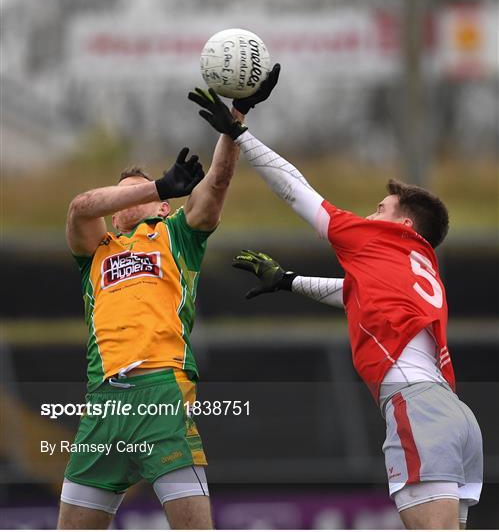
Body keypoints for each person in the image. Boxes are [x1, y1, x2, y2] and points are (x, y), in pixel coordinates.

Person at [190, 90, 483, 529]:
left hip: (418, 407)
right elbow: (351, 292)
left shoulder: (378, 240)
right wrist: (290, 281)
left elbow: (295, 190)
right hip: (455, 416)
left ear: (404, 225)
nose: (369, 214)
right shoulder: (420, 264)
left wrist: (239, 135)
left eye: (380, 209)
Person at [58, 69, 280, 530]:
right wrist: (158, 183)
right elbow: (81, 207)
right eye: (118, 195)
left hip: (160, 392)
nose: (123, 200)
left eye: (135, 193)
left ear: (163, 209)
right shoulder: (96, 251)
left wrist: (235, 120)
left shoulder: (176, 235)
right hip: (101, 402)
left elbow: (216, 185)